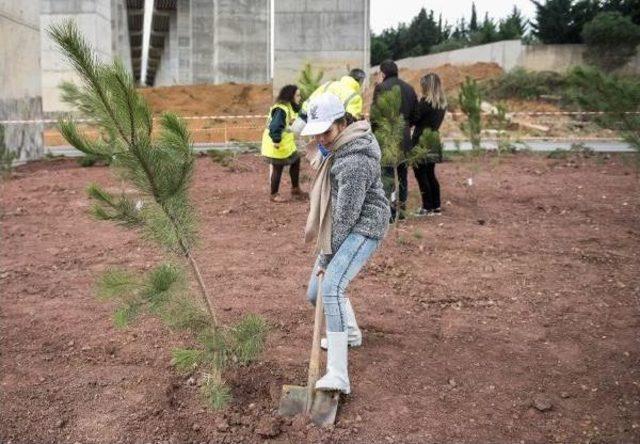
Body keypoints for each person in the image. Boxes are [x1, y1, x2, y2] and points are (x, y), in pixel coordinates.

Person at [301, 93, 390, 394]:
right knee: (316, 293)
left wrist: (326, 261)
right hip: (342, 223)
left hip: (364, 226)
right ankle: (350, 333)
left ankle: (338, 374)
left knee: (331, 287)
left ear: (342, 123)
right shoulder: (337, 148)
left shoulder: (354, 161)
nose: (321, 140)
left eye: (326, 132)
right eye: (317, 133)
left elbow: (346, 219)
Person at [371, 59, 418, 221]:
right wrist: (404, 127)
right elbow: (415, 116)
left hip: (386, 137)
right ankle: (402, 212)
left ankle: (389, 215)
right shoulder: (410, 89)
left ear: (382, 73)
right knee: (403, 175)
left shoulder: (381, 88)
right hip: (404, 137)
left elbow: (374, 116)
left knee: (387, 176)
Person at [261, 84, 307, 202]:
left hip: (286, 144)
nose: (299, 97)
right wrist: (276, 140)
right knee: (278, 167)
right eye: (297, 95)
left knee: (296, 160)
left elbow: (296, 117)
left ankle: (295, 189)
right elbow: (275, 126)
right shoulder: (281, 109)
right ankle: (274, 194)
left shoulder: (290, 107)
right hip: (276, 143)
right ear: (290, 96)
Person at [411, 73, 447, 216]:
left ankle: (426, 207)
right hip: (433, 140)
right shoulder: (441, 104)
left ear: (427, 86)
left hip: (421, 140)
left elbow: (413, 120)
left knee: (420, 174)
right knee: (430, 174)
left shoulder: (425, 103)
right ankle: (436, 206)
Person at [299, 68, 366, 122]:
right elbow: (351, 120)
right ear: (361, 81)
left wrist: (303, 115)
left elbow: (310, 100)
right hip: (333, 132)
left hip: (315, 124)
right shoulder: (355, 97)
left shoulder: (329, 84)